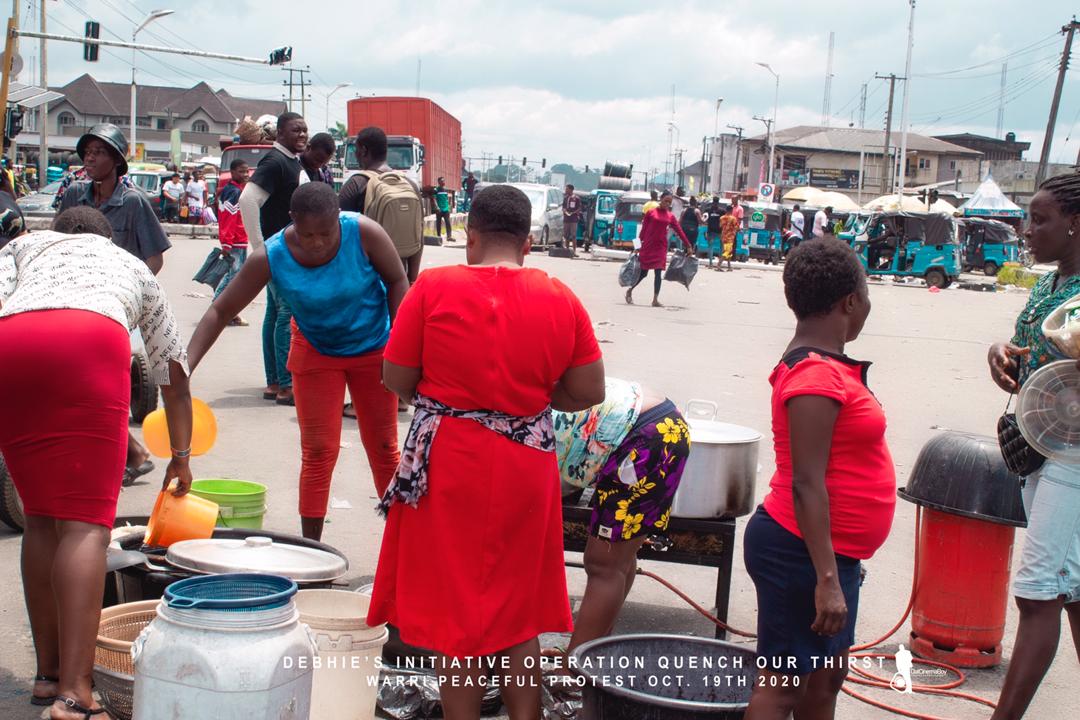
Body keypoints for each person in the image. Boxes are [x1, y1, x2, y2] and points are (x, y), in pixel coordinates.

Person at [367, 184, 605, 719]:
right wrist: (534, 400)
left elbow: (397, 377)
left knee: (459, 620)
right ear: (528, 244)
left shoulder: (432, 288)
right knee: (517, 611)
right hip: (527, 461)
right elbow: (589, 391)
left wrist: (453, 404)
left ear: (469, 238)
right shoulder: (560, 296)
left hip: (449, 461)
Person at [0, 204, 193, 720]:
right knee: (85, 525)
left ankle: (47, 677)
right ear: (106, 237)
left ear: (58, 232)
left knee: (40, 518)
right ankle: (75, 695)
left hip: (11, 346)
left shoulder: (22, 246)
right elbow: (172, 368)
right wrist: (180, 457)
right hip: (88, 341)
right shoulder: (127, 262)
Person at [189, 182, 407, 542]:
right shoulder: (271, 255)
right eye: (308, 234)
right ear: (292, 221)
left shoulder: (364, 232)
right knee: (319, 451)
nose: (318, 242)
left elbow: (398, 280)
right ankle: (312, 548)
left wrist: (401, 347)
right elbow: (221, 309)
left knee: (384, 449)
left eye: (326, 232)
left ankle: (403, 542)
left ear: (339, 219)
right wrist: (187, 364)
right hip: (316, 350)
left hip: (373, 349)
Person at [742, 239, 894, 720]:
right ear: (851, 301)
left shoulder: (826, 368)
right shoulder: (815, 377)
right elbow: (806, 483)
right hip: (800, 553)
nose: (868, 305)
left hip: (827, 554)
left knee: (825, 681)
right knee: (784, 688)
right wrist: (826, 579)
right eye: (866, 294)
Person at [988, 172, 1080, 720]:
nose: (1027, 231)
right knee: (1072, 588)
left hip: (1072, 454)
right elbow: (1024, 345)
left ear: (1075, 224)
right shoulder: (1046, 286)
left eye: (1040, 220)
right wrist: (1001, 352)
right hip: (1033, 446)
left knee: (1039, 590)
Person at [57, 123, 172, 484]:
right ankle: (129, 453)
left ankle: (127, 454)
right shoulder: (75, 195)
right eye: (87, 153)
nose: (90, 159)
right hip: (73, 302)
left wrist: (130, 295)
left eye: (99, 153)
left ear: (117, 160)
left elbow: (154, 259)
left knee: (102, 385)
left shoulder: (134, 201)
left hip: (116, 309)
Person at [551, 378, 689, 658]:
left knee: (604, 564)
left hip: (645, 439)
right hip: (662, 424)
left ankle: (575, 669)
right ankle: (593, 650)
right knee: (618, 560)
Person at [239, 111, 310, 406]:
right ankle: (285, 384)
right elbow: (247, 200)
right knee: (286, 316)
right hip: (278, 253)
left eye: (305, 130)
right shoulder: (275, 162)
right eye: (296, 130)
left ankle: (274, 382)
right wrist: (260, 247)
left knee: (274, 314)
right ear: (280, 132)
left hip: (279, 251)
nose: (302, 135)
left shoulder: (289, 161)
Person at [339, 126, 424, 284]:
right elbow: (419, 234)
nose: (356, 155)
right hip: (399, 279)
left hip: (365, 281)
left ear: (363, 150)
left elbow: (340, 235)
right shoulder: (409, 184)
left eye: (356, 151)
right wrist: (411, 279)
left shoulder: (355, 184)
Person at [625, 191, 695, 307]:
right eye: (665, 201)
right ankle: (630, 290)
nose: (667, 204)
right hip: (648, 246)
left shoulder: (670, 216)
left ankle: (655, 299)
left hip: (661, 248)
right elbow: (643, 231)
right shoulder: (651, 213)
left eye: (669, 202)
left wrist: (688, 245)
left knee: (658, 273)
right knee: (643, 274)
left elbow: (679, 231)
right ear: (660, 199)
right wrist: (637, 247)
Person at [215, 159, 250, 326]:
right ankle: (218, 310)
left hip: (239, 241)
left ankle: (229, 312)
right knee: (232, 279)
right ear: (233, 172)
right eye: (241, 172)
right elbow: (229, 219)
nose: (245, 175)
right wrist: (227, 243)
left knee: (234, 278)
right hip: (235, 242)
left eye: (246, 172)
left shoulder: (235, 190)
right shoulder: (234, 193)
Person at [719, 204, 740, 272]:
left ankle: (729, 266)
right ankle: (719, 265)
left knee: (728, 252)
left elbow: (720, 226)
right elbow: (737, 227)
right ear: (731, 210)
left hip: (723, 236)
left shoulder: (722, 218)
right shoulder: (733, 218)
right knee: (727, 251)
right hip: (730, 237)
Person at [563, 183, 583, 255]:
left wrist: (573, 213)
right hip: (566, 219)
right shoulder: (565, 198)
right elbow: (563, 207)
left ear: (571, 190)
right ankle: (567, 250)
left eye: (567, 189)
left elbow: (579, 208)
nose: (565, 190)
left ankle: (574, 251)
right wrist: (565, 211)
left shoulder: (576, 198)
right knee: (566, 235)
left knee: (573, 235)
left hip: (573, 219)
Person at [704, 196, 724, 268]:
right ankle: (719, 264)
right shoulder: (722, 211)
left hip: (711, 231)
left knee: (710, 247)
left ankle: (710, 264)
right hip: (719, 231)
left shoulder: (708, 210)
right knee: (721, 247)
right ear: (718, 202)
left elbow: (704, 220)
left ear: (713, 201)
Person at [433, 177, 453, 243]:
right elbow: (434, 199)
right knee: (438, 223)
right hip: (439, 209)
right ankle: (438, 236)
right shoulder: (436, 190)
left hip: (446, 209)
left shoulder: (446, 190)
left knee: (448, 223)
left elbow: (449, 198)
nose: (444, 182)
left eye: (444, 181)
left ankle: (449, 236)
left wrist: (449, 206)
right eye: (442, 181)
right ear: (439, 182)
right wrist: (437, 207)